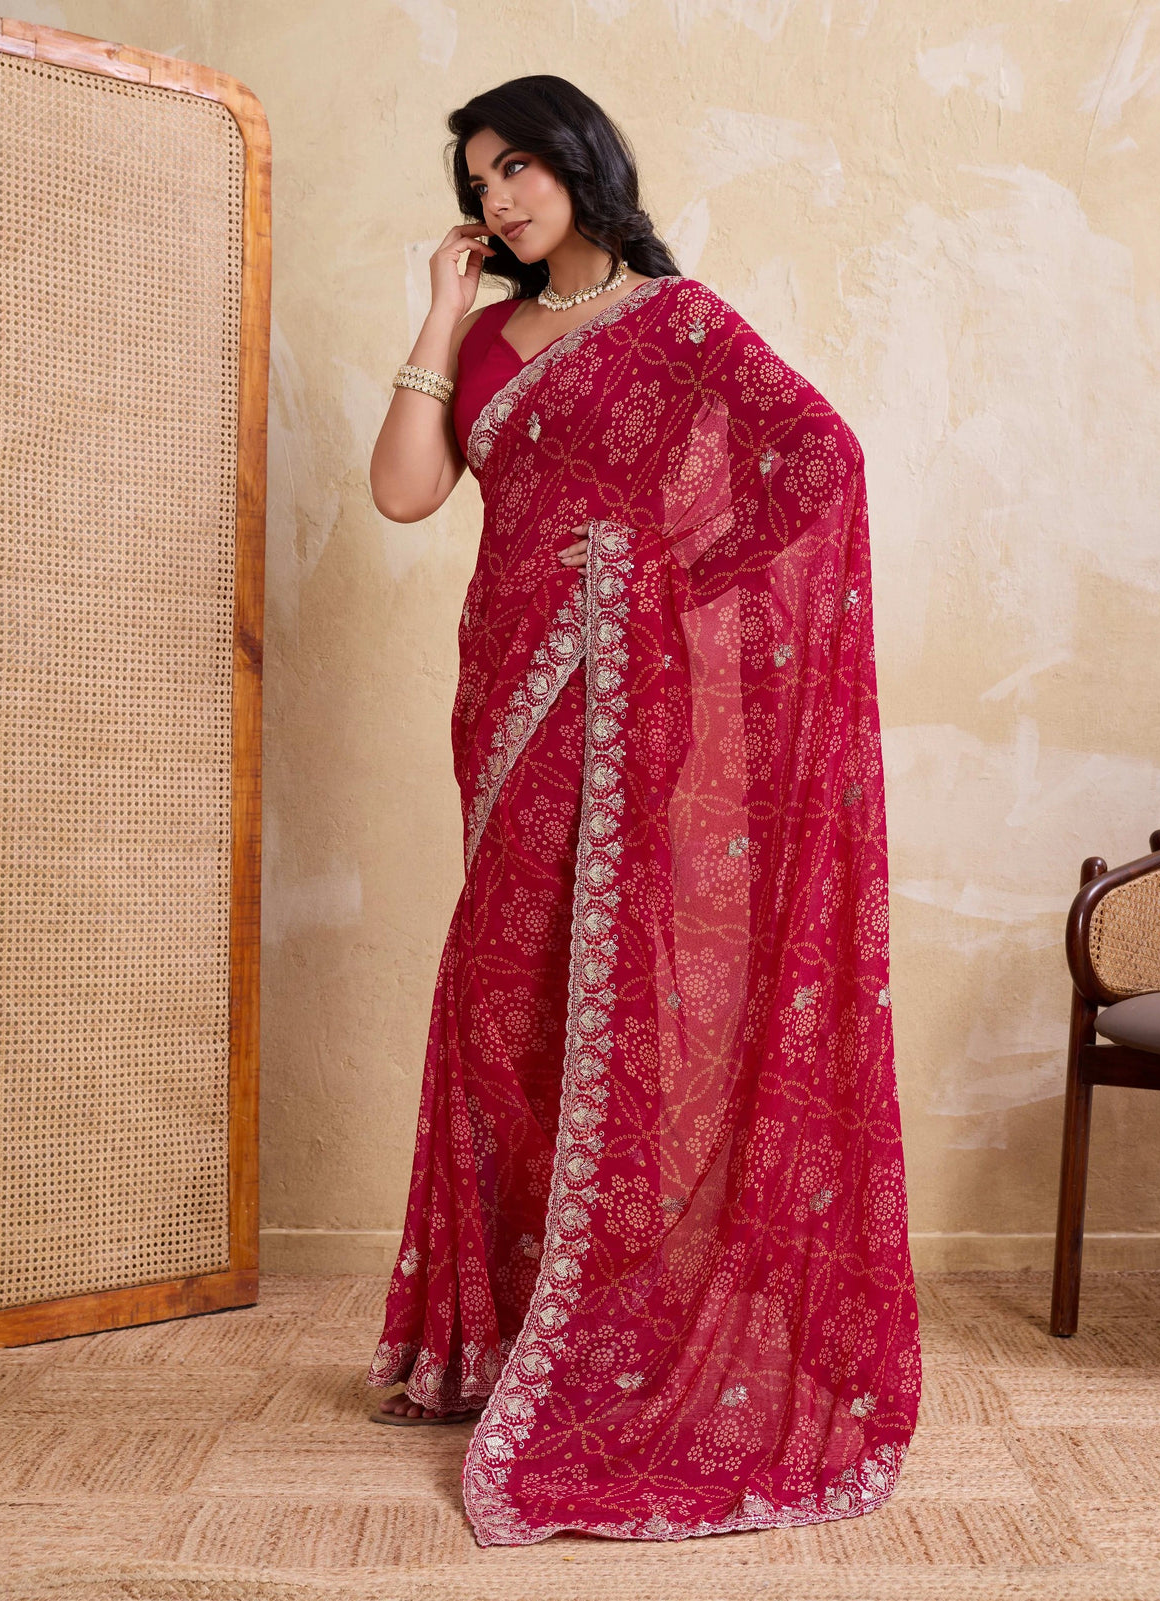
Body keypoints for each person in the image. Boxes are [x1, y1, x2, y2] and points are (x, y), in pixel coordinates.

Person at [365, 73, 920, 1549]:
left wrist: (672, 590)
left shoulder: (678, 322)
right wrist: (440, 311)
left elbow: (821, 458)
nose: (499, 197)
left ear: (581, 163)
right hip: (506, 697)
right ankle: (493, 1333)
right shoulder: (484, 338)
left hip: (626, 709)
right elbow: (406, 495)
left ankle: (608, 1320)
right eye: (479, 179)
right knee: (500, 999)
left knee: (610, 992)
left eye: (520, 166)